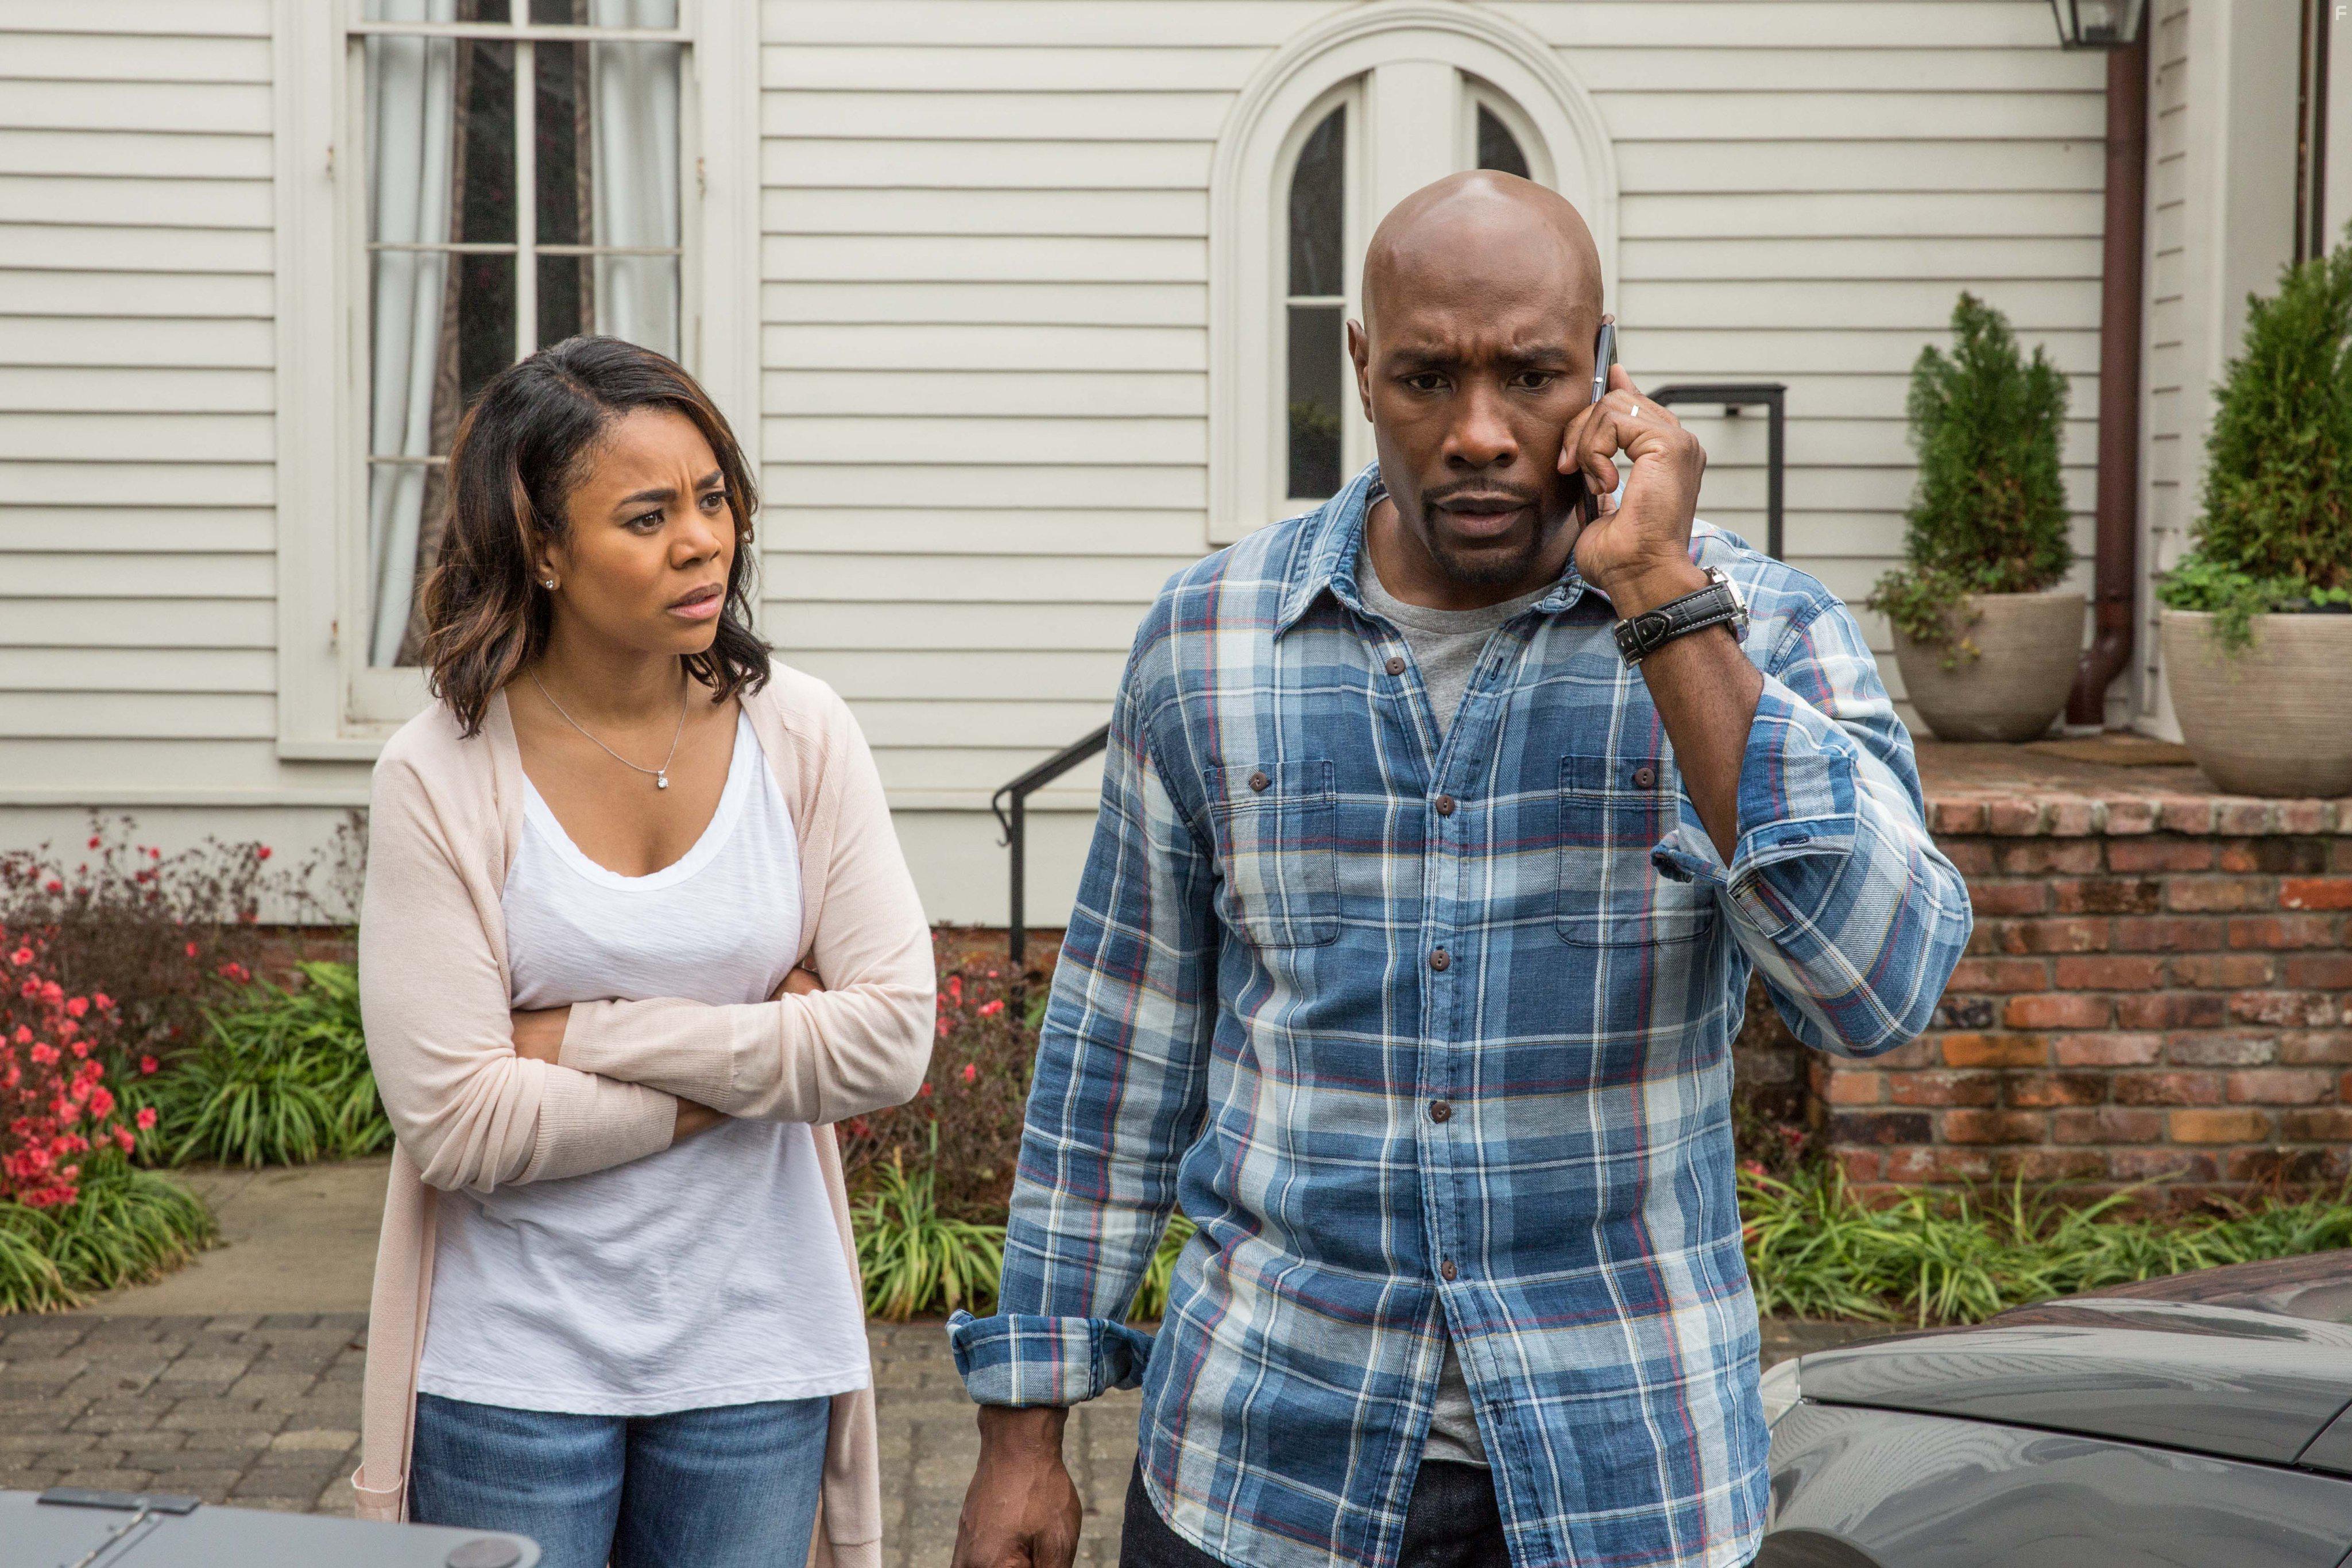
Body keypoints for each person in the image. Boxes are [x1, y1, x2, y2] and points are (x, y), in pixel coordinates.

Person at [945, 173, 1972, 1568]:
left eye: (1532, 376)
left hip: (1624, 1480)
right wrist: (1022, 1430)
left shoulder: (1758, 632)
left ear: (1606, 373)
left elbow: (1880, 988)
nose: (1479, 433)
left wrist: (1662, 601)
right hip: (1260, 1476)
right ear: (1361, 367)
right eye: (1426, 375)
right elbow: (1116, 1050)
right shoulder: (1204, 644)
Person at [351, 335, 935, 1568]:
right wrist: (765, 1057)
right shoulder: (440, 772)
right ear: (545, 550)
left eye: (712, 498)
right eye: (647, 514)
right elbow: (460, 1123)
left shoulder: (803, 735)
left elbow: (887, 1038)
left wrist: (585, 1038)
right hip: (511, 1375)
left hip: (755, 1357)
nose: (700, 540)